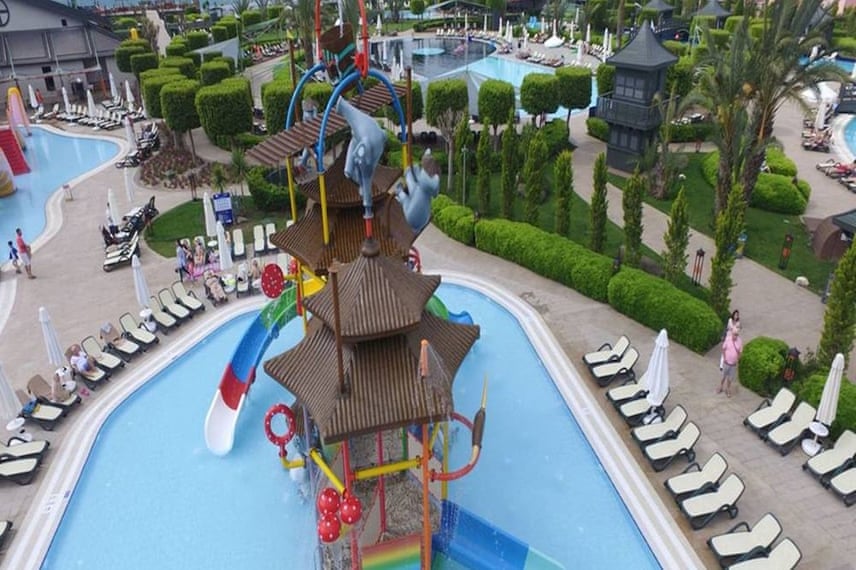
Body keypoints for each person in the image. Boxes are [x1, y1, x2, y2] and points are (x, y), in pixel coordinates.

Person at [718, 326, 743, 397]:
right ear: (732, 334)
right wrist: (725, 357)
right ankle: (721, 387)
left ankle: (728, 389)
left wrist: (737, 359)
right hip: (726, 362)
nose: (735, 336)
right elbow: (723, 348)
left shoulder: (739, 341)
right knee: (723, 376)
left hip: (733, 364)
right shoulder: (728, 339)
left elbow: (740, 352)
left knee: (730, 378)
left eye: (737, 334)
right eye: (734, 334)